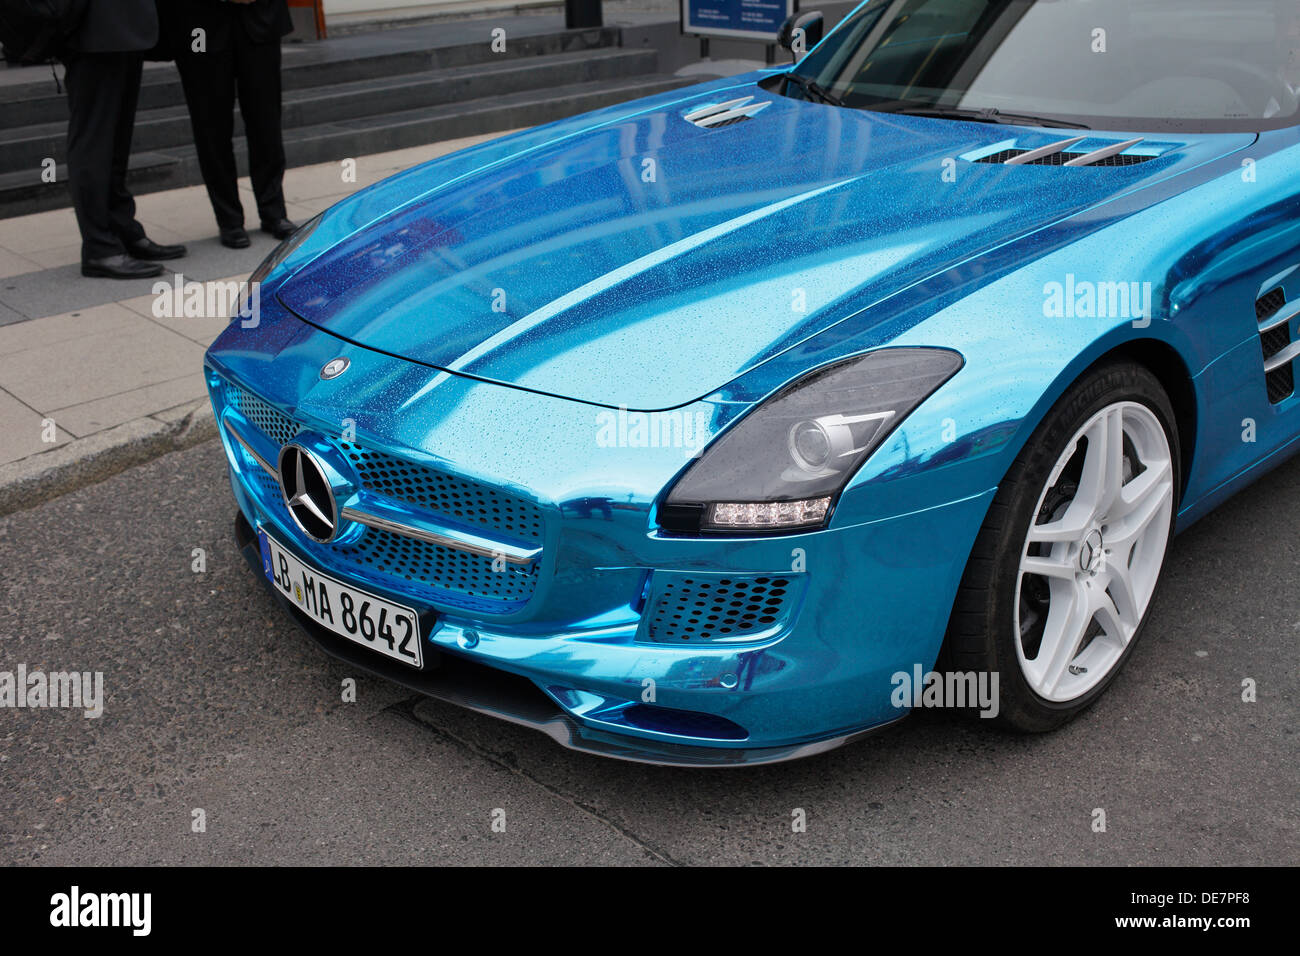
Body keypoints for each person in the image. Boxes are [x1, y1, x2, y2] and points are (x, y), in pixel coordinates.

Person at [63, 0, 186, 279]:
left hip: (124, 26)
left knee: (116, 144)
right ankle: (99, 247)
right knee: (93, 143)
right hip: (93, 29)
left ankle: (121, 230)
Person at [163, 0, 296, 249]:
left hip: (260, 18)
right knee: (210, 127)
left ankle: (274, 212)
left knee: (266, 121)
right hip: (199, 26)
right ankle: (229, 220)